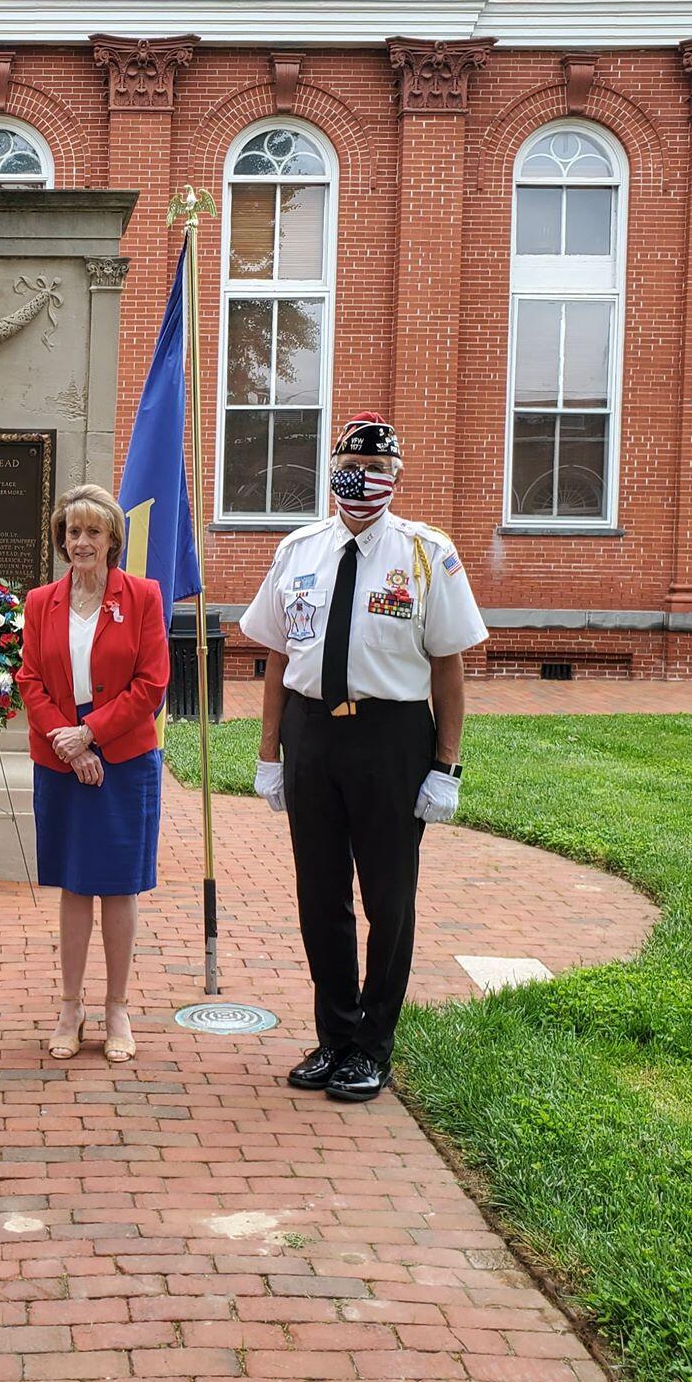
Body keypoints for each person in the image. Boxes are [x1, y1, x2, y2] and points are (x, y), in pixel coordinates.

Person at [238, 413, 488, 1103]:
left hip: (391, 737)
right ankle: (335, 1036)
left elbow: (449, 667)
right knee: (320, 895)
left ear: (397, 476)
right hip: (312, 731)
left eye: (379, 469)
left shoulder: (426, 554)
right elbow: (276, 654)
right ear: (333, 466)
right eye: (353, 464)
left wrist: (446, 766)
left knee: (388, 898)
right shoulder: (299, 549)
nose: (365, 478)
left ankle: (374, 1044)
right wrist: (270, 752)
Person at [15, 484, 169, 1065]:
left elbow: (152, 683)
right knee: (76, 882)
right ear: (63, 540)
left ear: (112, 540)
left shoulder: (144, 596)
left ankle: (117, 1007)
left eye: (93, 533)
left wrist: (94, 734)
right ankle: (70, 1006)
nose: (81, 542)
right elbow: (29, 680)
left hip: (124, 758)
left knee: (119, 883)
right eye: (72, 532)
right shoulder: (40, 601)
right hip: (60, 754)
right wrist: (70, 742)